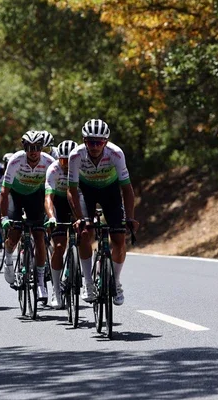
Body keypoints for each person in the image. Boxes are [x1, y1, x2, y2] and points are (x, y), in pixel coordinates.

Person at [67, 119, 139, 306]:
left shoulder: (116, 153)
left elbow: (127, 188)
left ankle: (116, 281)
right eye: (91, 142)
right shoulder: (76, 155)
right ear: (84, 141)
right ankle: (88, 283)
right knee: (85, 233)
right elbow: (72, 190)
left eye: (99, 142)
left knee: (119, 239)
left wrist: (130, 217)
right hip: (86, 192)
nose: (95, 146)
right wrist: (79, 218)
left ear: (105, 142)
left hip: (110, 192)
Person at [0, 130, 56, 302]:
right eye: (30, 147)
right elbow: (4, 192)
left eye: (37, 147)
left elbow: (54, 189)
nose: (33, 151)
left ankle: (40, 282)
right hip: (15, 196)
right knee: (14, 234)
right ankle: (8, 260)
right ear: (24, 148)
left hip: (35, 197)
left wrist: (53, 215)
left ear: (42, 148)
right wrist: (4, 217)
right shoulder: (15, 160)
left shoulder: (49, 162)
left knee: (39, 236)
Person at [44, 139, 78, 308]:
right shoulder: (53, 169)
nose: (67, 165)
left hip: (76, 202)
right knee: (58, 247)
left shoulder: (81, 167)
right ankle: (56, 290)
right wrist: (51, 217)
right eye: (63, 161)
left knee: (86, 235)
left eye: (70, 161)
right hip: (58, 204)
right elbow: (48, 197)